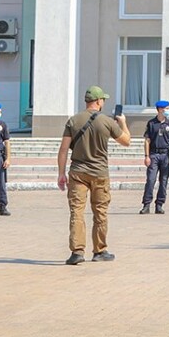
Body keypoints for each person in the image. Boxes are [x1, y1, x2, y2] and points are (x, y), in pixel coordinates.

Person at [56, 86, 131, 265]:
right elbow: (126, 141)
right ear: (98, 101)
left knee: (77, 212)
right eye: (103, 99)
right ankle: (100, 250)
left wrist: (61, 173)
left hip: (77, 173)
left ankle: (77, 251)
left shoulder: (73, 121)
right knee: (100, 212)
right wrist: (123, 123)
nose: (103, 102)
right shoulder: (106, 121)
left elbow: (64, 149)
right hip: (99, 173)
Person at [141, 100, 169, 215]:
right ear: (160, 109)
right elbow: (147, 140)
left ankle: (159, 204)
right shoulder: (151, 123)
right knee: (151, 180)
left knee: (164, 181)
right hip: (154, 155)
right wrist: (146, 156)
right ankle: (146, 205)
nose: (168, 110)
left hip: (165, 155)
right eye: (166, 108)